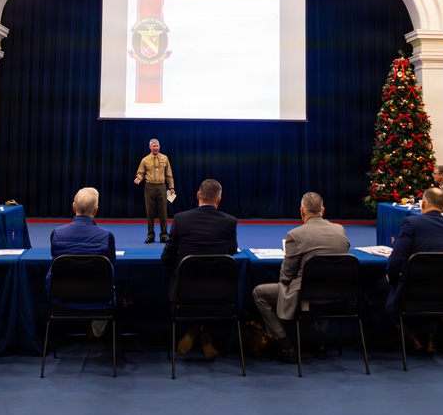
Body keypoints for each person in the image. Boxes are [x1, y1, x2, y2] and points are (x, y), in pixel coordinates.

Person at [252, 192, 350, 362]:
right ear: (323, 210)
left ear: (301, 211)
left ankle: (285, 344)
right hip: (336, 295)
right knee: (327, 284)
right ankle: (319, 343)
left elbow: (286, 276)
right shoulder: (340, 230)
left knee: (259, 293)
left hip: (304, 295)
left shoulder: (295, 235)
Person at [161, 179, 238, 361]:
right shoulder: (230, 222)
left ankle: (194, 327)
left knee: (190, 284)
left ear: (197, 196)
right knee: (208, 287)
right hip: (221, 295)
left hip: (184, 294)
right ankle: (204, 330)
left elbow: (166, 259)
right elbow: (232, 251)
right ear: (219, 200)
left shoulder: (180, 219)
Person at [383, 187, 443, 354]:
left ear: (424, 204)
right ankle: (430, 336)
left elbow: (396, 261)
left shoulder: (412, 223)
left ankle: (408, 334)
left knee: (377, 287)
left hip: (411, 291)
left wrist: (392, 278)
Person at [45, 187, 115, 340]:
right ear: (95, 211)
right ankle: (98, 332)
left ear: (73, 207)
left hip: (61, 299)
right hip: (99, 300)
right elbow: (111, 265)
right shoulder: (106, 236)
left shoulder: (56, 234)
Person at [134, 138, 175, 243]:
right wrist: (139, 178)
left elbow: (169, 174)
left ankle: (164, 235)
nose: (156, 148)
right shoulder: (145, 160)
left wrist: (171, 187)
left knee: (163, 212)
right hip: (149, 187)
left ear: (159, 146)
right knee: (150, 212)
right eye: (154, 146)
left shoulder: (164, 158)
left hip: (161, 186)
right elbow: (140, 173)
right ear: (150, 147)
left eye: (157, 146)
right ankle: (151, 235)